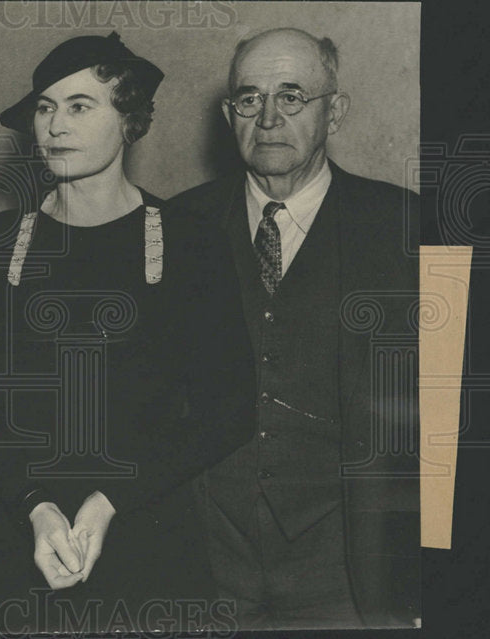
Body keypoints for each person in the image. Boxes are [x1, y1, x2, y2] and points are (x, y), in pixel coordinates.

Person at [0, 32, 255, 633]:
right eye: (45, 107)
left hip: (154, 543)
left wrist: (109, 499)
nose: (55, 125)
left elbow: (230, 408)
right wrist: (34, 507)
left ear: (130, 122)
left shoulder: (190, 242)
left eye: (80, 106)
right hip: (30, 547)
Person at [169, 28, 420, 629]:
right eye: (249, 99)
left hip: (350, 572)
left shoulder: (409, 228)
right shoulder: (176, 225)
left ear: (336, 113)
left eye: (292, 96)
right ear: (230, 114)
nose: (269, 118)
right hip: (207, 568)